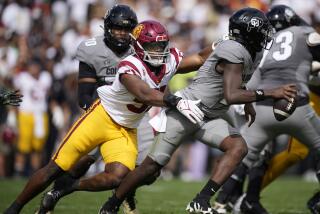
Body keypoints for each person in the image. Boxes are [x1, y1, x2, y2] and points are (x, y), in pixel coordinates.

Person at [98, 8, 296, 214]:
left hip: (209, 116)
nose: (265, 35)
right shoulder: (233, 49)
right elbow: (231, 95)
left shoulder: (253, 51)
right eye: (262, 30)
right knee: (151, 168)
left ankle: (201, 200)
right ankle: (112, 203)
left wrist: (248, 101)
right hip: (186, 109)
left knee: (238, 147)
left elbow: (238, 82)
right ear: (248, 32)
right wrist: (272, 92)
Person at [4, 19, 207, 214]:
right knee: (55, 168)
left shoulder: (168, 60)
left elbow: (200, 58)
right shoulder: (129, 65)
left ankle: (67, 188)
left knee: (117, 177)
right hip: (101, 118)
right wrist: (176, 101)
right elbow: (145, 94)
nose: (159, 51)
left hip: (126, 128)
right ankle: (14, 208)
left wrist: (224, 43)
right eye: (153, 47)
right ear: (138, 47)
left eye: (162, 45)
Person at [213, 5, 320, 214]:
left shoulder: (266, 43)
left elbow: (257, 74)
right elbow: (314, 46)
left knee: (244, 156)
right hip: (293, 101)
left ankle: (221, 202)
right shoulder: (304, 32)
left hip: (259, 103)